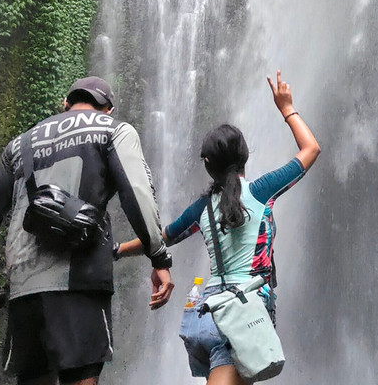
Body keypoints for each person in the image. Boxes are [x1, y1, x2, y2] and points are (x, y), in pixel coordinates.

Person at [116, 70, 320, 385]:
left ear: (208, 165)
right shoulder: (262, 190)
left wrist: (116, 250)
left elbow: (157, 239)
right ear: (245, 156)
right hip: (242, 313)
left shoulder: (201, 209)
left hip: (205, 313)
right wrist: (286, 108)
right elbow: (310, 149)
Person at [0, 76, 175, 385]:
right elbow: (137, 195)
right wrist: (159, 259)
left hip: (25, 288)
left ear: (64, 104)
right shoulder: (112, 129)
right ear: (108, 109)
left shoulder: (20, 144)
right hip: (79, 282)